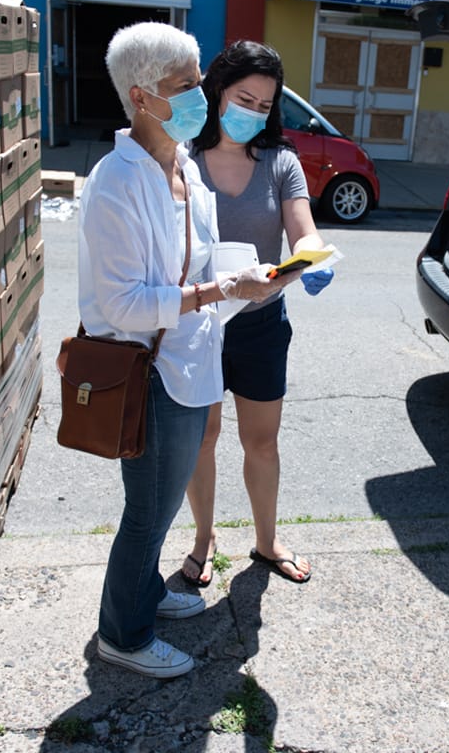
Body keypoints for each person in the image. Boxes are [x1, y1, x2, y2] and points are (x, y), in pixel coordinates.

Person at [80, 23, 294, 679]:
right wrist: (218, 289)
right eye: (186, 85)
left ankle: (145, 595)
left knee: (162, 504)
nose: (201, 94)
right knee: (148, 511)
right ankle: (124, 633)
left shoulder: (181, 167)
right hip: (145, 374)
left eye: (200, 78)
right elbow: (123, 305)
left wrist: (239, 283)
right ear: (142, 97)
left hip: (187, 364)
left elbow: (197, 265)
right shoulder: (115, 183)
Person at [181, 40, 334, 588]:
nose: (253, 112)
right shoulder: (183, 159)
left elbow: (303, 229)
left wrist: (311, 259)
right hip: (197, 321)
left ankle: (266, 540)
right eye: (244, 98)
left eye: (265, 105)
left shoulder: (281, 162)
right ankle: (204, 538)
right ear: (217, 90)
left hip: (262, 323)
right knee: (201, 438)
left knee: (261, 442)